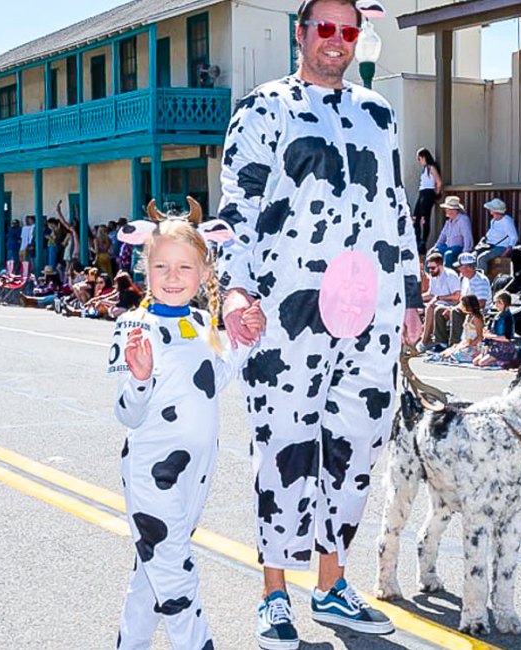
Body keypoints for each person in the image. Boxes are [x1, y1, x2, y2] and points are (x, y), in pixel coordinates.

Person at [216, 1, 423, 645]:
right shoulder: (263, 107)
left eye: (348, 29)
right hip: (286, 312)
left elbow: (397, 208)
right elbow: (237, 209)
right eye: (324, 28)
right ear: (301, 34)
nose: (336, 40)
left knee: (354, 447)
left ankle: (332, 585)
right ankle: (275, 593)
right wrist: (233, 292)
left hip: (372, 311)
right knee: (285, 448)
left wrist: (412, 293)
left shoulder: (378, 112)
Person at [108, 206, 265, 650]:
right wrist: (139, 378)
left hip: (196, 473)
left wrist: (247, 339)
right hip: (151, 473)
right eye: (161, 266)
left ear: (203, 271)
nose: (172, 276)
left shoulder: (200, 324)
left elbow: (213, 380)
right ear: (145, 268)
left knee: (151, 575)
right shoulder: (133, 325)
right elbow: (127, 413)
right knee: (177, 580)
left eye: (184, 266)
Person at [432, 252, 491, 350]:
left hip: (479, 311)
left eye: (460, 267)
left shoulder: (481, 281)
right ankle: (441, 342)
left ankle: (454, 344)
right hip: (466, 307)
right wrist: (453, 307)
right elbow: (462, 300)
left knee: (456, 312)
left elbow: (481, 304)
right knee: (439, 310)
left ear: (468, 267)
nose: (458, 269)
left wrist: (458, 308)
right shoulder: (465, 279)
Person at [419, 251, 461, 351]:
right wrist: (415, 299)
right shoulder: (434, 276)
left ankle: (425, 340)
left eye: (433, 268)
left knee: (431, 307)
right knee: (415, 307)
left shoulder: (451, 276)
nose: (430, 270)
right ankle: (416, 338)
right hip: (438, 302)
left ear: (441, 265)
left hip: (450, 304)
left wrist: (439, 298)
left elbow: (457, 296)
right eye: (429, 268)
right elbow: (431, 294)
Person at [473, 291, 517, 368]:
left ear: (506, 303)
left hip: (503, 347)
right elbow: (490, 331)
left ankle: (506, 362)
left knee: (482, 363)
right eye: (495, 302)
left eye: (499, 302)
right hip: (494, 346)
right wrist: (486, 340)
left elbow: (507, 338)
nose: (496, 305)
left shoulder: (508, 318)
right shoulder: (497, 316)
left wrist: (490, 336)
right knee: (475, 362)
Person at [436, 294, 483, 363]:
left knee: (453, 355)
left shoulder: (476, 318)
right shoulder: (468, 317)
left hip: (474, 345)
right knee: (445, 353)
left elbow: (479, 337)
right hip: (465, 342)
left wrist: (468, 345)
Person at [475, 198, 518, 272]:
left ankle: (482, 279)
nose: (490, 212)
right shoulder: (493, 220)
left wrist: (506, 253)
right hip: (490, 245)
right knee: (473, 256)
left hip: (501, 247)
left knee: (482, 258)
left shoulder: (507, 221)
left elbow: (514, 237)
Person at [413, 148, 442, 252]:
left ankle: (423, 242)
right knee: (415, 218)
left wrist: (436, 194)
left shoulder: (431, 167)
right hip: (422, 192)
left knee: (425, 218)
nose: (419, 161)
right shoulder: (424, 169)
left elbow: (438, 182)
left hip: (428, 193)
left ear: (424, 157)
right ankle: (417, 239)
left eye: (419, 158)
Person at [433, 195, 473, 266]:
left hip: (458, 248)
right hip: (447, 246)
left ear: (454, 210)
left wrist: (465, 252)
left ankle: (448, 275)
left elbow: (467, 237)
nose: (446, 211)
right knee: (433, 253)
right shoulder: (448, 222)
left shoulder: (463, 220)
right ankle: (430, 276)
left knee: (448, 255)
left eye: (448, 209)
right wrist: (435, 247)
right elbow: (442, 236)